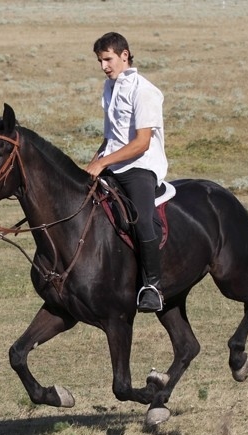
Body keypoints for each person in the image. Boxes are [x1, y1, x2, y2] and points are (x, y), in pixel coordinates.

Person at [85, 32, 169, 313]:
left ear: (124, 55)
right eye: (100, 61)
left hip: (139, 167)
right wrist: (92, 164)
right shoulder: (109, 87)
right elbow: (110, 138)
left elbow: (141, 143)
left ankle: (153, 286)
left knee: (142, 219)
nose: (103, 66)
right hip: (112, 163)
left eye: (107, 59)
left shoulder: (144, 91)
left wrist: (103, 163)